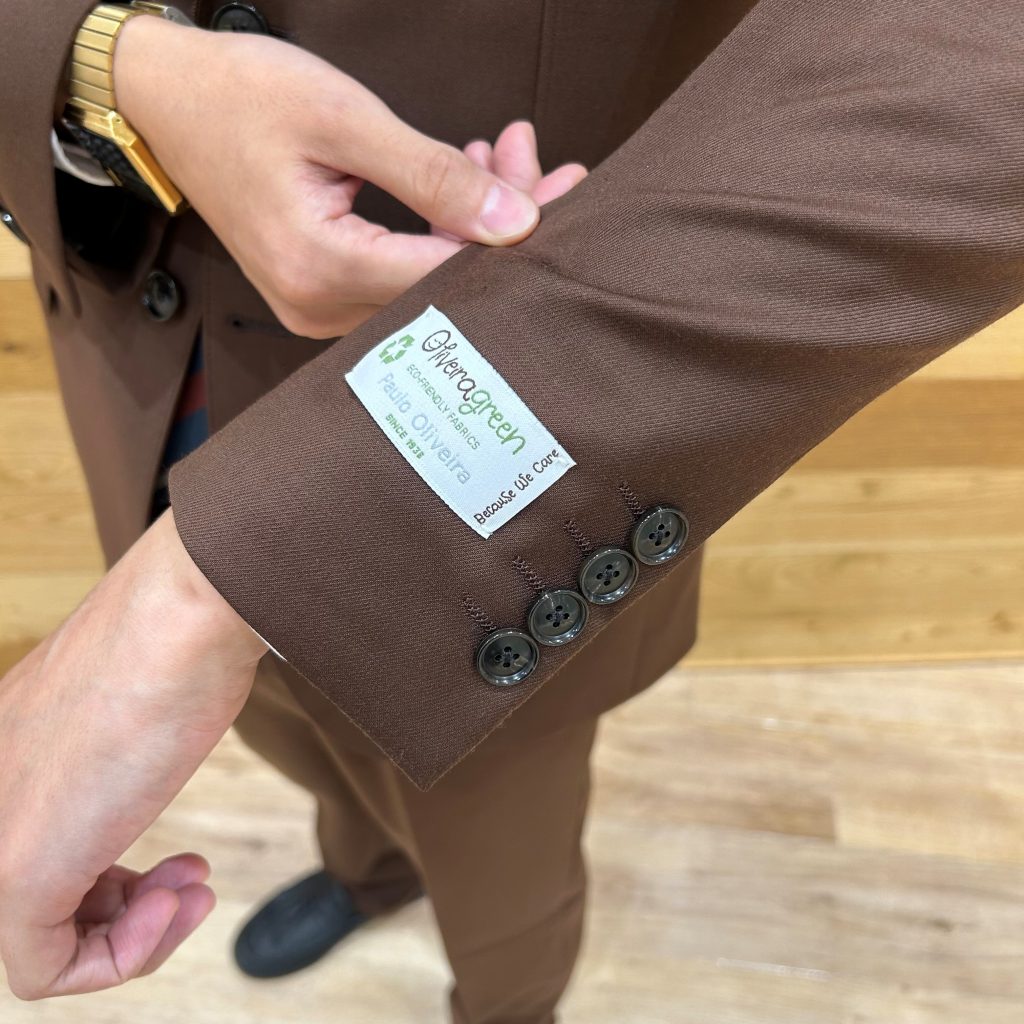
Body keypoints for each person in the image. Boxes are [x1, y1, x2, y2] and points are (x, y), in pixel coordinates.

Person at [0, 1, 1020, 1020]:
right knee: (293, 739)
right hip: (142, 372)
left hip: (514, 480)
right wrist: (105, 60)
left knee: (501, 865)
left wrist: (197, 583)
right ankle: (369, 874)